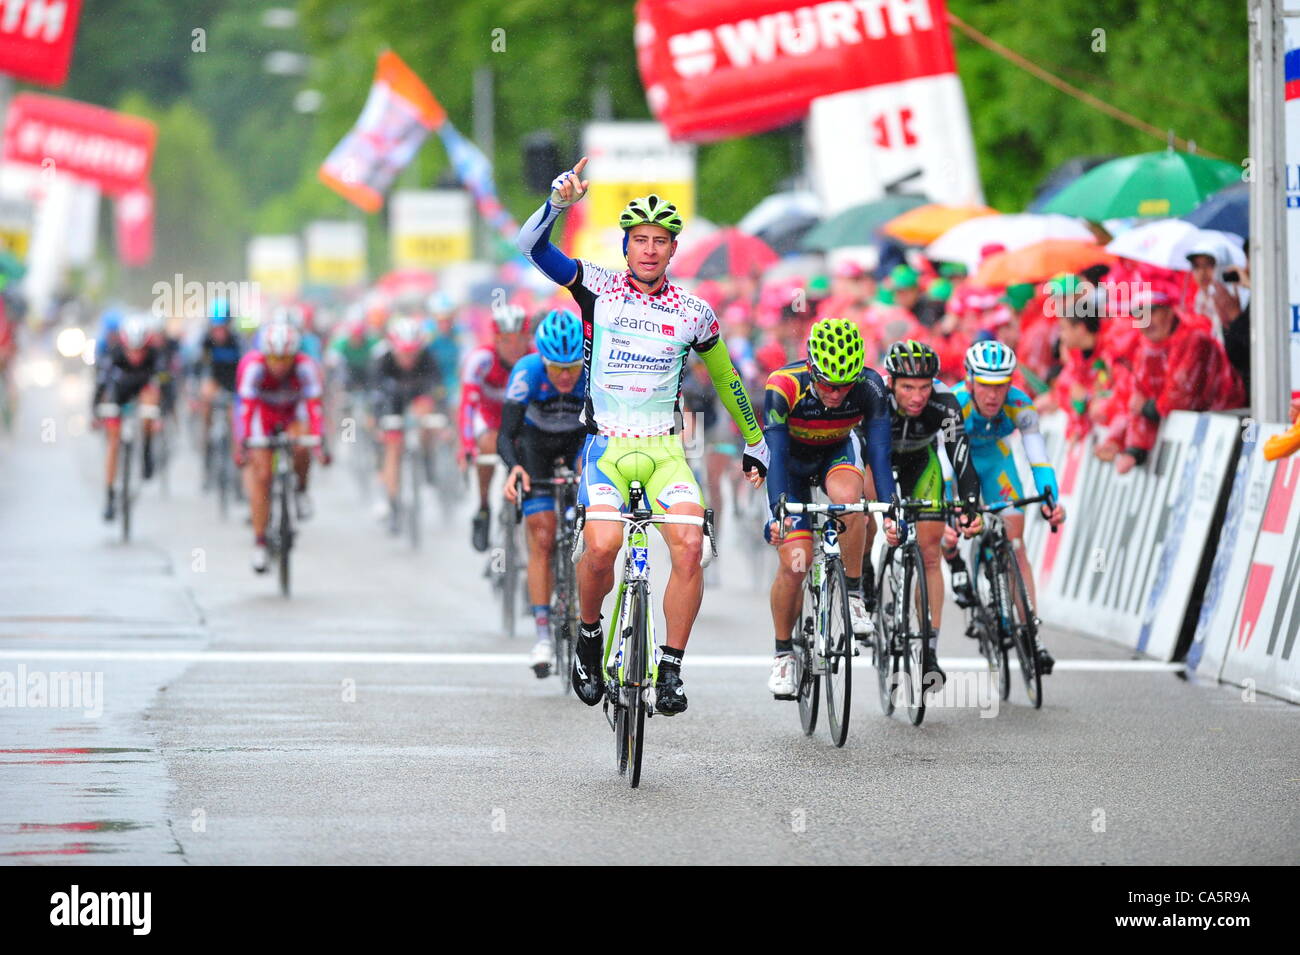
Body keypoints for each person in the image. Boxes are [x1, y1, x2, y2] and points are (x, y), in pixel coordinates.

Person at [516, 156, 769, 715]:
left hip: (664, 451)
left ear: (673, 250)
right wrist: (558, 204)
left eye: (660, 241)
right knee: (602, 546)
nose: (650, 249)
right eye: (640, 239)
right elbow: (531, 248)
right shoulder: (597, 287)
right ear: (625, 245)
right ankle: (586, 637)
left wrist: (755, 439)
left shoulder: (694, 312)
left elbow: (726, 378)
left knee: (690, 546)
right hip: (606, 446)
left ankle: (672, 668)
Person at [763, 318, 899, 700]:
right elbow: (774, 454)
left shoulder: (871, 386)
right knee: (796, 561)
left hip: (836, 453)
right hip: (789, 463)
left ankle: (853, 595)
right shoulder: (783, 385)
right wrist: (779, 512)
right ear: (811, 368)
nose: (837, 393)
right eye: (828, 383)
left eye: (845, 384)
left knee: (851, 504)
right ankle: (784, 653)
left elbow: (879, 453)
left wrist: (889, 509)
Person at [947, 341, 1066, 674]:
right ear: (969, 380)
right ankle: (958, 568)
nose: (993, 394)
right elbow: (944, 463)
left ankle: (1031, 633)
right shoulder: (954, 405)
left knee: (1015, 540)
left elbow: (1038, 458)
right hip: (958, 463)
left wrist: (1050, 498)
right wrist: (950, 505)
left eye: (1001, 385)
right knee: (948, 527)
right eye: (985, 384)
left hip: (997, 463)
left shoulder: (1021, 405)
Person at [882, 340, 984, 690]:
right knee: (862, 513)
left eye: (925, 387)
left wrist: (971, 504)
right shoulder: (875, 397)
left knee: (930, 553)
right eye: (908, 387)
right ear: (891, 382)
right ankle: (862, 580)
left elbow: (961, 457)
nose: (917, 396)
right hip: (877, 462)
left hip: (919, 463)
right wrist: (884, 511)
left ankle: (929, 649)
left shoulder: (945, 404)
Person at [498, 309, 588, 677]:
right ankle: (542, 637)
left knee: (592, 531)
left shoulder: (592, 370)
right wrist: (514, 466)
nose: (566, 376)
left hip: (578, 442)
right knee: (543, 534)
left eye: (572, 368)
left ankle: (585, 620)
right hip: (536, 446)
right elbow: (507, 433)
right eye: (557, 369)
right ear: (543, 360)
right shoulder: (527, 372)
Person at [1111, 286, 1246, 475]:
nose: (1145, 321)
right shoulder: (1146, 350)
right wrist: (1135, 451)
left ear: (1168, 312)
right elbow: (1138, 401)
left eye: (1151, 312)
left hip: (1229, 433)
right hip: (1197, 442)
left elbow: (1181, 398)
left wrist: (1147, 407)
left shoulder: (1195, 339)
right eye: (1139, 315)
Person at [235, 323, 329, 573]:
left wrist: (319, 443)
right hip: (263, 415)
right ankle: (260, 542)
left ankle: (300, 490)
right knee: (263, 474)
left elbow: (315, 408)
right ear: (265, 354)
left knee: (302, 445)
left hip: (292, 414)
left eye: (285, 358)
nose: (279, 364)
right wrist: (243, 444)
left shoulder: (306, 367)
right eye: (274, 358)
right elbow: (245, 409)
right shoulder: (253, 367)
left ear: (294, 355)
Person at [459, 304, 532, 552]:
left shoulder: (534, 358)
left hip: (522, 421)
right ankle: (483, 508)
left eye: (520, 339)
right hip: (489, 419)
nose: (514, 346)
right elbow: (467, 406)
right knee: (488, 445)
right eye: (506, 340)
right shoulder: (481, 360)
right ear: (495, 340)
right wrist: (467, 446)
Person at [372, 317, 443, 533]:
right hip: (391, 403)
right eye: (404, 353)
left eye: (413, 353)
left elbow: (437, 390)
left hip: (417, 399)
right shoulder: (382, 360)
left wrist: (436, 416)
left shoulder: (428, 358)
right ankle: (393, 503)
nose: (409, 358)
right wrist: (377, 423)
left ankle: (427, 466)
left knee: (427, 419)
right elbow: (374, 395)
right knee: (392, 447)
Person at [92, 314, 164, 521]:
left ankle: (147, 451)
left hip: (143, 393)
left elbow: (164, 383)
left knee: (151, 396)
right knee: (113, 443)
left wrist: (161, 414)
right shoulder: (114, 355)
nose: (136, 356)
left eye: (140, 350)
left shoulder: (154, 355)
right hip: (119, 394)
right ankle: (110, 495)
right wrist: (96, 410)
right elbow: (101, 385)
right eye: (131, 350)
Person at [193, 298, 244, 481]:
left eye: (223, 328)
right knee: (206, 401)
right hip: (215, 382)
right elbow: (197, 366)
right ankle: (207, 450)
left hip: (234, 384)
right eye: (216, 328)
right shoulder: (206, 341)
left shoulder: (237, 342)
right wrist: (196, 391)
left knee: (234, 420)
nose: (219, 333)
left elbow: (245, 369)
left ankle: (237, 471)